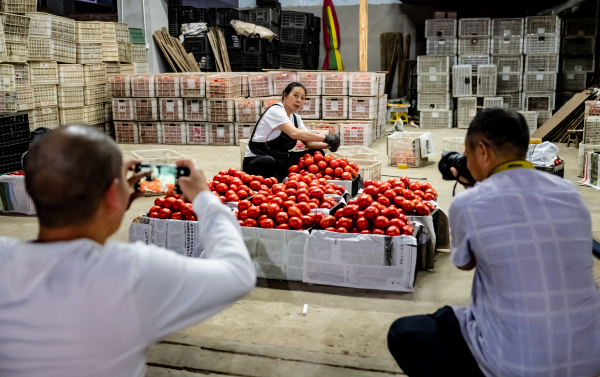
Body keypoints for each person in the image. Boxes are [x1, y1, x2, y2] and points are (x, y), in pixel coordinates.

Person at [0, 126, 256, 376]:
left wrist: (112, 199)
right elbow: (238, 273)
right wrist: (203, 196)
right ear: (112, 195)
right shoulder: (133, 273)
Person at [387, 109, 600, 377]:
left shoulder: (470, 202)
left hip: (517, 364)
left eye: (467, 154)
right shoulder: (571, 193)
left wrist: (471, 191)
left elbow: (465, 263)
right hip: (591, 356)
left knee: (404, 333)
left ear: (483, 151)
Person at [243, 82, 340, 181]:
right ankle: (276, 184)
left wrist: (329, 145)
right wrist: (326, 138)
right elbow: (294, 133)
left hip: (281, 160)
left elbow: (310, 143)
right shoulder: (275, 110)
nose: (298, 100)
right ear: (285, 95)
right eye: (295, 96)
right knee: (268, 161)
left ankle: (301, 182)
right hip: (258, 160)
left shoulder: (296, 119)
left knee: (316, 153)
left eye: (302, 98)